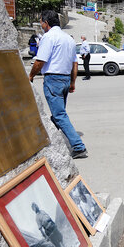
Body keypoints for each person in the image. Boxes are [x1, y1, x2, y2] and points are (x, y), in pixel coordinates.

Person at [29, 10, 88, 159]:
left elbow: (40, 61)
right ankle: (47, 139)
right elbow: (75, 63)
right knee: (58, 113)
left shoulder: (49, 37)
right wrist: (73, 82)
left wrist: (30, 75)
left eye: (41, 22)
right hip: (65, 79)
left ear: (46, 23)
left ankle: (78, 146)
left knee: (59, 114)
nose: (41, 25)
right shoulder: (68, 39)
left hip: (53, 80)